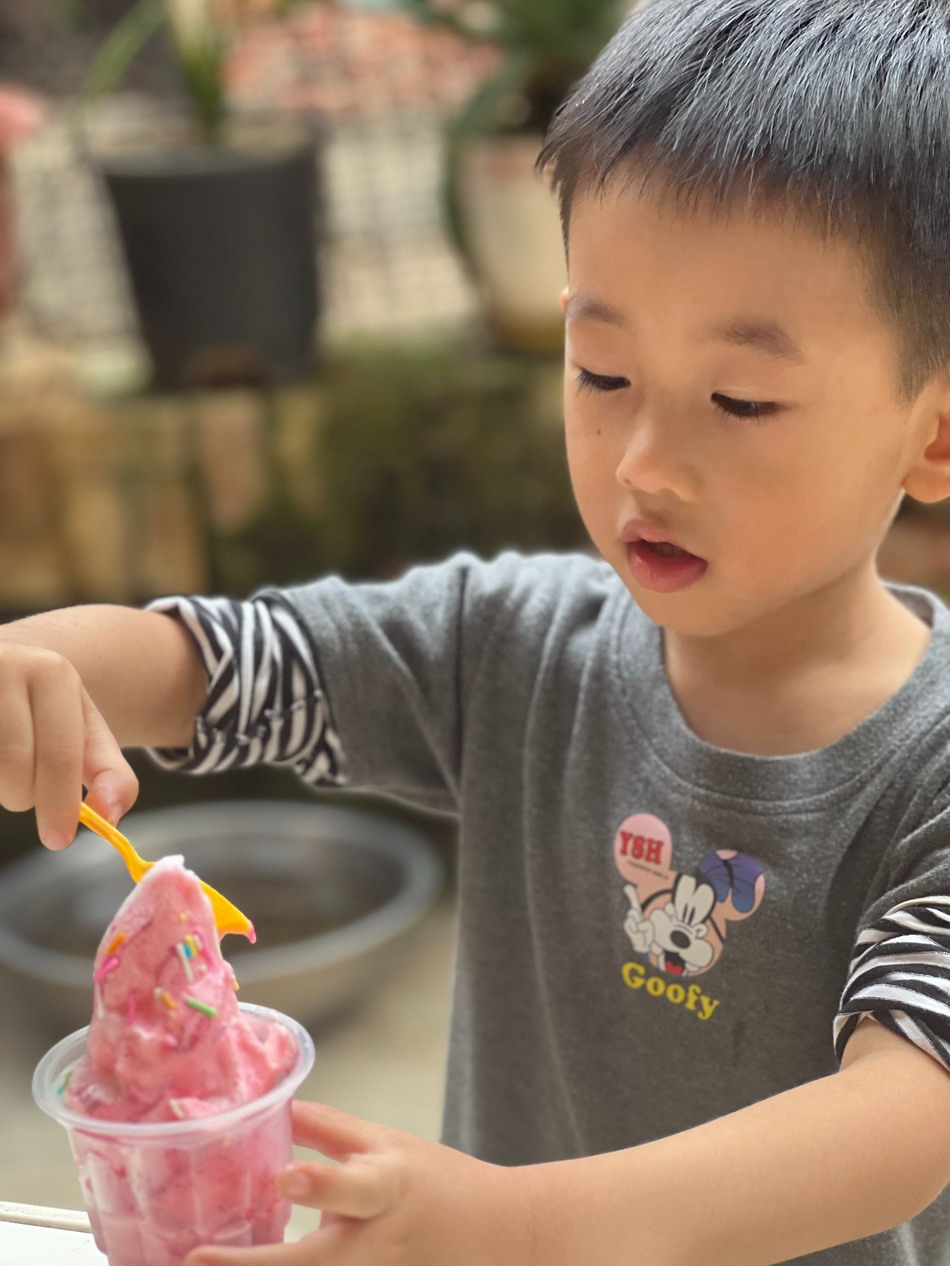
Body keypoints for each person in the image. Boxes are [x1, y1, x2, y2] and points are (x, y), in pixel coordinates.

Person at [5, 0, 950, 1261]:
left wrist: (511, 1225)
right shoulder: (509, 645)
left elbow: (904, 1119)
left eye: (738, 399)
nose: (644, 463)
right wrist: (46, 666)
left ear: (932, 433)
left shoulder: (929, 771)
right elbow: (219, 665)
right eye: (600, 372)